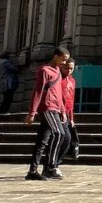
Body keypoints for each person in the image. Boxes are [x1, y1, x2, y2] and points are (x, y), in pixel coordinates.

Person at [24, 46, 70, 181]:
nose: (64, 63)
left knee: (41, 141)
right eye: (63, 59)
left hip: (56, 108)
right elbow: (37, 92)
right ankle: (50, 167)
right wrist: (32, 112)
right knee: (59, 133)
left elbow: (59, 93)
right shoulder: (44, 71)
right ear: (56, 56)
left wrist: (63, 110)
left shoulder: (58, 71)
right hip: (47, 108)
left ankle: (32, 171)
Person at [60, 57, 79, 164]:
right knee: (65, 137)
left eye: (71, 69)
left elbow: (71, 100)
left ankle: (56, 163)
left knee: (67, 138)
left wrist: (71, 118)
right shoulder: (59, 80)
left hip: (67, 113)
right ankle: (54, 163)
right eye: (67, 68)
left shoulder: (72, 80)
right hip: (59, 113)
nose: (69, 71)